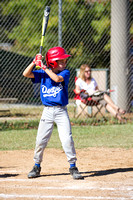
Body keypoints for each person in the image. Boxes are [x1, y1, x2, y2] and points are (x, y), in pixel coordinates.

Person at [23, 46, 83, 180]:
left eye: (63, 61)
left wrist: (43, 67)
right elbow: (26, 74)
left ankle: (73, 166)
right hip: (47, 112)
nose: (64, 63)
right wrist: (34, 62)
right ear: (52, 62)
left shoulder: (65, 73)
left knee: (67, 139)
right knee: (40, 140)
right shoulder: (43, 73)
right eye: (60, 61)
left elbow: (56, 79)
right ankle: (36, 166)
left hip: (61, 111)